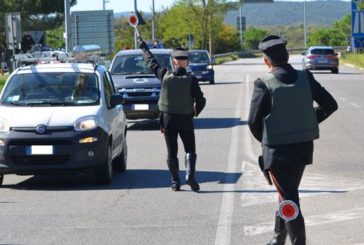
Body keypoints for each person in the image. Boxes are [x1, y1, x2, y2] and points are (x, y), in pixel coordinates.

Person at [248, 35, 338, 245]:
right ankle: (278, 238)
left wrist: (269, 137)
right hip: (303, 150)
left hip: (277, 153)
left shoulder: (263, 83)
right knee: (287, 194)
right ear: (288, 56)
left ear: (266, 61)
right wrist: (307, 121)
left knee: (289, 199)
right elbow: (330, 105)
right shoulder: (306, 77)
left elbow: (253, 122)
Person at [138, 38, 206, 192]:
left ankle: (175, 182)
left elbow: (152, 63)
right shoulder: (192, 80)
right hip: (186, 119)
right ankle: (190, 175)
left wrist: (145, 49)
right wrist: (195, 112)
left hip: (168, 120)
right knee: (190, 149)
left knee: (171, 151)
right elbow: (201, 100)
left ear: (173, 62)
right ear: (186, 62)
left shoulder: (164, 75)